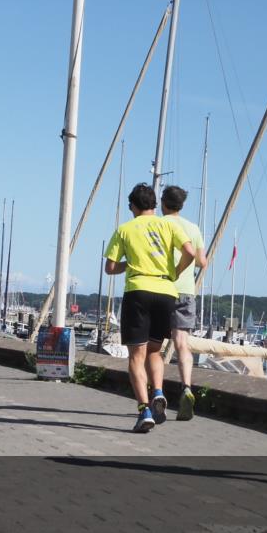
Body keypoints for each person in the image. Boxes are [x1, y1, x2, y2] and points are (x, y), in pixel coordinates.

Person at [104, 183, 195, 433]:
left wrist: (130, 265)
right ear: (155, 205)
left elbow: (110, 268)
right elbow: (191, 253)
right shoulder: (169, 225)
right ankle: (158, 392)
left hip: (138, 291)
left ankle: (144, 409)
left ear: (133, 206)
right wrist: (174, 273)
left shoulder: (125, 229)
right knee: (155, 351)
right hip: (166, 292)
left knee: (136, 356)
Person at [161, 185, 208, 421]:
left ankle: (156, 394)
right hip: (187, 292)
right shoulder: (193, 228)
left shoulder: (160, 225)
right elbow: (202, 262)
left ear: (163, 203)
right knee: (182, 345)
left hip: (164, 289)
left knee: (153, 344)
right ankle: (187, 387)